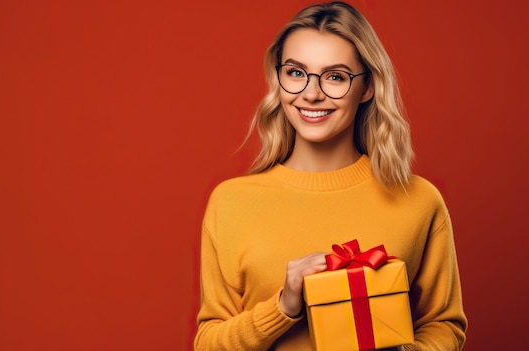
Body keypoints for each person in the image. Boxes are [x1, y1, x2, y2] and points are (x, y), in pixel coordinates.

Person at [194, 2, 467, 350]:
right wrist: (284, 305)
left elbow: (444, 325)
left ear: (366, 87)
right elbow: (208, 344)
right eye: (295, 73)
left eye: (335, 77)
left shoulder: (419, 200)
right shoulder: (231, 203)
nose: (311, 93)